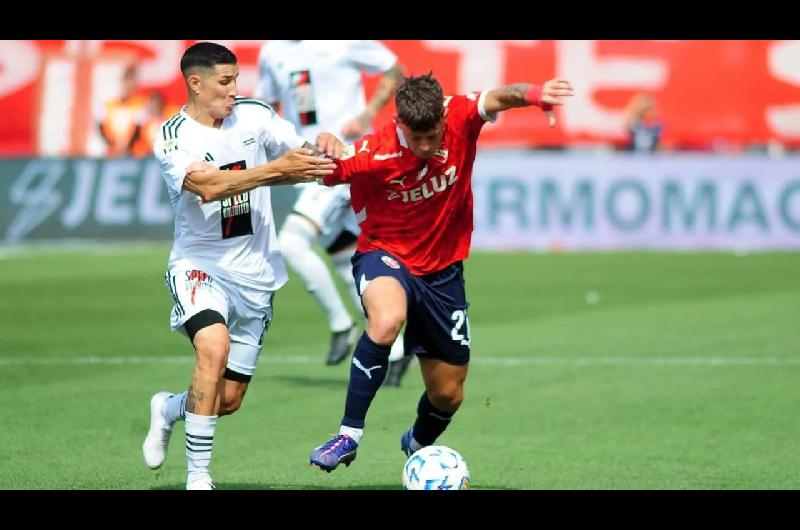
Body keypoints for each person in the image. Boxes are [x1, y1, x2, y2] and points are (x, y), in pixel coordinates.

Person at [308, 72, 574, 472]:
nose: (427, 147)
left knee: (448, 394)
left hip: (443, 272)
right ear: (400, 124)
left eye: (434, 136)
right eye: (417, 139)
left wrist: (537, 94)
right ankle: (348, 435)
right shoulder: (372, 153)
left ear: (443, 121)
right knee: (386, 321)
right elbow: (316, 167)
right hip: (385, 256)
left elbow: (504, 95)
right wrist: (319, 145)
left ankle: (416, 443)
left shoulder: (461, 114)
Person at [142, 42, 342, 490]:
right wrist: (276, 171)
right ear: (196, 82)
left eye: (236, 80)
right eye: (225, 81)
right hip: (200, 265)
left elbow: (301, 150)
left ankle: (167, 408)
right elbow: (207, 187)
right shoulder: (174, 135)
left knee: (226, 400)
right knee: (212, 347)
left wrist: (323, 144)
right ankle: (198, 477)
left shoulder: (254, 114)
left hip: (257, 275)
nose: (235, 90)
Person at [255, 40, 409, 372]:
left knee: (292, 244)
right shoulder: (272, 51)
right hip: (305, 162)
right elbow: (264, 107)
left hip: (344, 159)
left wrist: (367, 114)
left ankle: (341, 324)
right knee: (343, 254)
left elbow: (395, 70)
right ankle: (395, 349)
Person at [96, 63, 147, 157]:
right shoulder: (108, 105)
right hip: (111, 153)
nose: (128, 88)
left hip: (133, 154)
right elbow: (100, 127)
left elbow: (139, 130)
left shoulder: (140, 106)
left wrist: (127, 148)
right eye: (127, 83)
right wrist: (113, 145)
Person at [131, 91, 181, 158]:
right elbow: (136, 142)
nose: (154, 107)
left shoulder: (170, 118)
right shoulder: (145, 123)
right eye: (152, 104)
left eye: (157, 104)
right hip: (150, 158)